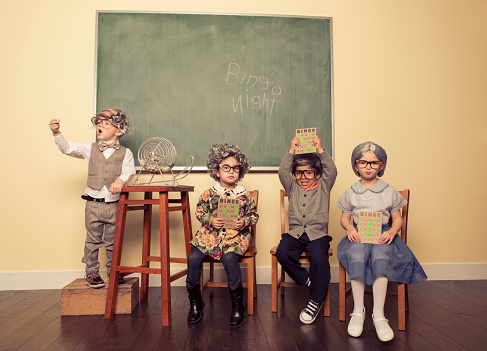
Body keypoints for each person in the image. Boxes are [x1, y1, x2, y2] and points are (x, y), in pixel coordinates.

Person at [337, 141, 427, 342]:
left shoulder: (389, 191)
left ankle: (379, 314)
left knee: (380, 256)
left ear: (381, 165)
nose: (368, 167)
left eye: (373, 163)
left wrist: (393, 231)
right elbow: (344, 218)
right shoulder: (351, 191)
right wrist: (350, 227)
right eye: (363, 162)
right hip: (359, 234)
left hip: (383, 234)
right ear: (356, 165)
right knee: (357, 254)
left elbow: (397, 219)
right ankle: (358, 311)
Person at [49, 109, 135, 289]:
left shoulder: (126, 153)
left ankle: (113, 271)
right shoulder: (90, 148)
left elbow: (129, 171)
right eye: (99, 122)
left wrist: (120, 180)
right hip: (93, 203)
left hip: (114, 204)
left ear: (118, 131)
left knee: (113, 241)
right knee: (93, 240)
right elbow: (68, 148)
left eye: (106, 123)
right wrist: (57, 133)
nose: (100, 126)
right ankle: (92, 272)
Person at [185, 144, 259, 328]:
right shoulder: (209, 194)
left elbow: (254, 215)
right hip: (210, 236)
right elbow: (199, 212)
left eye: (235, 168)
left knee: (229, 258)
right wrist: (211, 219)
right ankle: (195, 303)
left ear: (240, 171)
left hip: (235, 238)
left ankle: (237, 305)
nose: (231, 171)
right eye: (226, 167)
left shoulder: (245, 196)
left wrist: (244, 222)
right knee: (193, 258)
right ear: (217, 171)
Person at [275, 134, 337, 324]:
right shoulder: (292, 186)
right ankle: (307, 280)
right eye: (299, 173)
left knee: (319, 256)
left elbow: (332, 171)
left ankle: (315, 300)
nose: (303, 177)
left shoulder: (323, 186)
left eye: (308, 173)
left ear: (317, 174)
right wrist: (292, 150)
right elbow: (282, 172)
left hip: (317, 234)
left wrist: (320, 149)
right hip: (295, 233)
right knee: (282, 252)